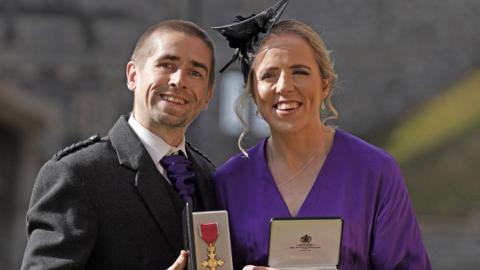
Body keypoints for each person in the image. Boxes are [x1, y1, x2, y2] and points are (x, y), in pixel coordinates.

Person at [213, 17, 432, 270]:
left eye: (300, 72)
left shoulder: (375, 172)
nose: (284, 86)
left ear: (325, 84)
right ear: (254, 90)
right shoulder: (228, 182)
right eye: (269, 75)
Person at [21, 20, 217, 270]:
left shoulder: (211, 178)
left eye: (195, 73)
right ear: (133, 75)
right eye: (167, 65)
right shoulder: (77, 174)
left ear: (208, 95)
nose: (179, 81)